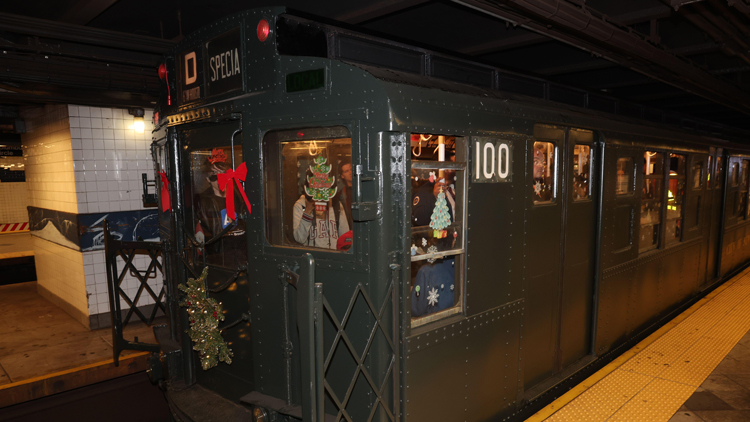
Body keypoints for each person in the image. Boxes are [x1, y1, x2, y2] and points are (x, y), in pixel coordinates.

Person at [292, 178, 350, 250]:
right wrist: (307, 211)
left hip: (334, 254)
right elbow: (299, 238)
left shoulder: (336, 205)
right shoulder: (301, 205)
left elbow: (345, 238)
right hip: (312, 254)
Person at [338, 158, 354, 229]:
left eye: (351, 169)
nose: (350, 172)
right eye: (346, 171)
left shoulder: (363, 189)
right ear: (342, 176)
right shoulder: (341, 194)